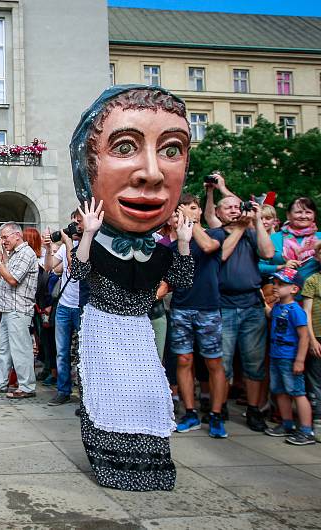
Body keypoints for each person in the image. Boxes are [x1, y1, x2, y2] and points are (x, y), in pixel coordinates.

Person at [68, 85, 195, 491]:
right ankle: (111, 462)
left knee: (148, 394)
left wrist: (185, 243)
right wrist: (87, 234)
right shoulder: (101, 243)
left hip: (138, 328)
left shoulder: (159, 249)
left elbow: (183, 280)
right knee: (106, 394)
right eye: (124, 147)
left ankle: (149, 465)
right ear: (86, 170)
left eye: (172, 150)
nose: (152, 173)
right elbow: (79, 272)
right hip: (104, 325)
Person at [208, 196, 275, 432]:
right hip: (224, 305)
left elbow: (268, 253)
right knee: (222, 363)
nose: (236, 211)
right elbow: (221, 256)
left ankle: (255, 410)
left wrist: (256, 222)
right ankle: (220, 406)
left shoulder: (252, 231)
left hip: (252, 307)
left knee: (254, 363)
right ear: (218, 212)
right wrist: (239, 229)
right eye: (229, 207)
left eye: (238, 207)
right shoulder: (216, 233)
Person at [168, 195, 228, 438]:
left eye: (193, 208)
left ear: (200, 211)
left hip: (208, 308)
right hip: (182, 308)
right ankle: (190, 412)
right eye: (183, 210)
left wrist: (194, 222)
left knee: (214, 362)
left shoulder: (215, 234)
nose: (188, 213)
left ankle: (215, 414)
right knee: (183, 361)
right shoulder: (173, 247)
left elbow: (208, 248)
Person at [0, 222, 39, 398]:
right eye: (2, 238)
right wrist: (0, 258)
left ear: (17, 235)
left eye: (6, 237)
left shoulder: (26, 253)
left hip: (19, 308)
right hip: (7, 308)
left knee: (21, 348)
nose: (3, 241)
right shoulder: (14, 254)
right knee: (4, 349)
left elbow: (13, 280)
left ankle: (27, 387)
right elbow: (6, 270)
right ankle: (0, 382)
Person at [265, 268, 315, 445]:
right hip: (276, 355)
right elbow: (269, 314)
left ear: (294, 289)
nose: (276, 287)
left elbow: (304, 336)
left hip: (290, 357)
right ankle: (286, 424)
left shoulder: (296, 310)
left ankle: (306, 431)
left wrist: (299, 360)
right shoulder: (279, 306)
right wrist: (264, 301)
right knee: (279, 391)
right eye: (275, 283)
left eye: (281, 284)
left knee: (297, 392)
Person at [47, 211, 83, 405]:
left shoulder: (88, 244)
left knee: (84, 352)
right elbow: (50, 266)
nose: (75, 227)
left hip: (82, 306)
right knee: (61, 351)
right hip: (64, 305)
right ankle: (63, 390)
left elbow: (75, 267)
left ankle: (86, 396)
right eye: (73, 223)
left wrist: (68, 242)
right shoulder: (65, 246)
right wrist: (48, 249)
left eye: (78, 223)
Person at [260, 197, 321, 282]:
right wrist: (281, 267)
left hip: (314, 293)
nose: (303, 216)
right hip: (280, 291)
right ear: (288, 215)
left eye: (308, 212)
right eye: (298, 212)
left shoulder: (320, 238)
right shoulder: (273, 238)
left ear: (314, 215)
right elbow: (258, 266)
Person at [301, 242, 321, 437]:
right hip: (318, 337)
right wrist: (312, 339)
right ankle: (318, 420)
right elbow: (306, 313)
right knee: (315, 380)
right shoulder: (313, 280)